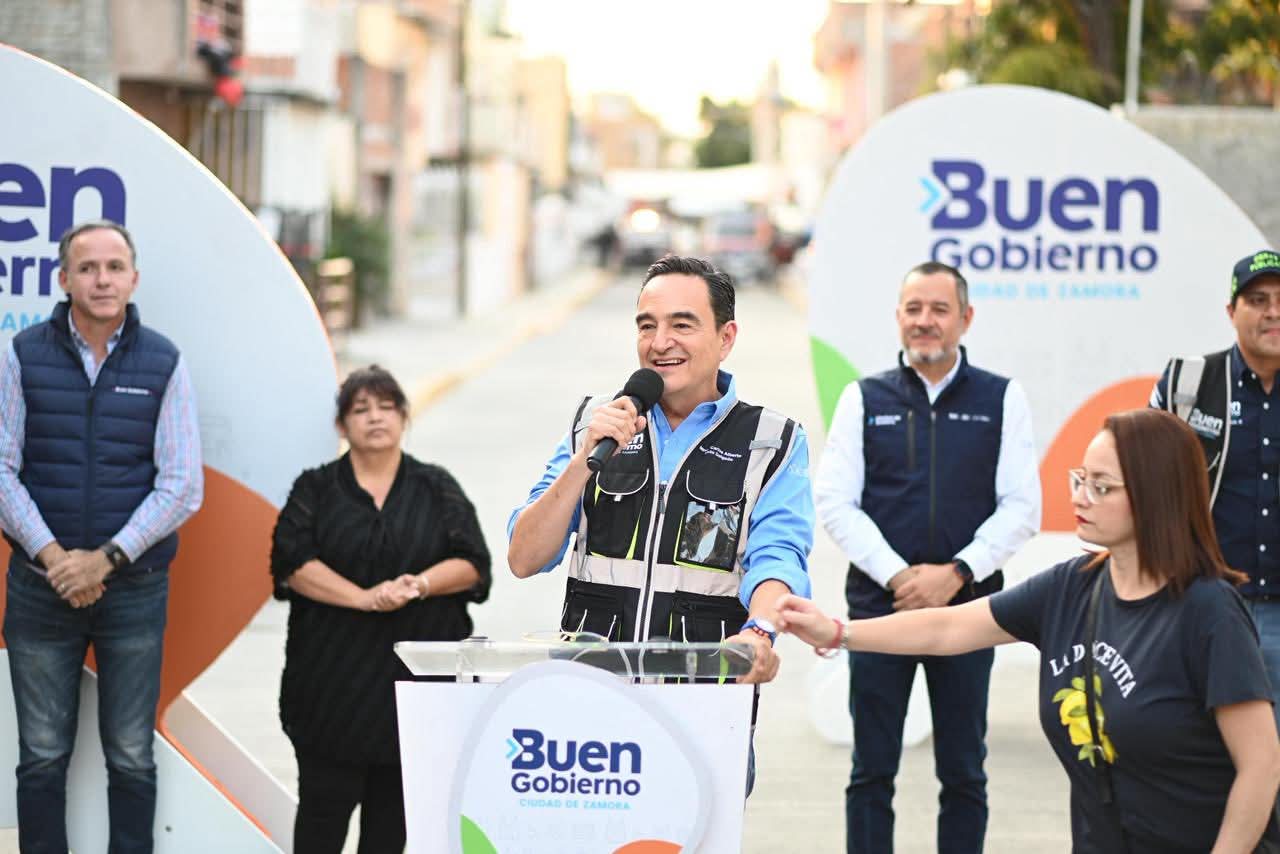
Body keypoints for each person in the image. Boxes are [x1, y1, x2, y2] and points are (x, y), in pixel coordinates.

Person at [782, 409, 1280, 853]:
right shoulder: (1072, 587)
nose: (1081, 498)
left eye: (1102, 487)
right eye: (1081, 479)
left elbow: (1260, 767)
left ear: (1155, 495)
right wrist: (836, 633)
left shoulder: (1207, 610)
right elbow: (945, 628)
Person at [814, 260, 1040, 854]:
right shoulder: (864, 398)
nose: (925, 321)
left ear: (965, 318)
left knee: (964, 770)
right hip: (880, 610)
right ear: (898, 318)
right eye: (913, 309)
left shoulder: (1001, 398)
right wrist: (898, 575)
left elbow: (1022, 507)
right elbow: (835, 502)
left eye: (939, 309)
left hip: (970, 614)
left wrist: (957, 573)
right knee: (871, 771)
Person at [507, 254, 813, 686]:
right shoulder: (593, 425)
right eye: (647, 325)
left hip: (704, 696)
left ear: (726, 339)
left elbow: (778, 559)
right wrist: (583, 463)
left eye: (682, 325)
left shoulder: (771, 440)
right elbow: (524, 558)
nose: (659, 342)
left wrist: (759, 632)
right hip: (592, 698)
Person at [0, 219, 204, 853]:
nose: (102, 279)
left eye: (114, 267)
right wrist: (57, 558)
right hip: (40, 589)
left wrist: (106, 561)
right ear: (63, 280)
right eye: (87, 268)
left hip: (135, 591)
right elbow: (1, 466)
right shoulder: (21, 354)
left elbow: (182, 484)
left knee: (131, 754)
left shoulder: (164, 361)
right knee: (40, 755)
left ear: (133, 278)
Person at [270, 365, 490, 854]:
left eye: (386, 406)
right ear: (341, 425)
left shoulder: (436, 486)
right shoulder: (316, 489)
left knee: (390, 831)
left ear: (404, 417)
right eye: (360, 409)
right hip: (331, 692)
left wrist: (419, 585)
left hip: (412, 693)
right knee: (321, 823)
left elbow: (474, 564)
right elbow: (291, 563)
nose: (374, 418)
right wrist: (363, 597)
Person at [1152, 249, 1280, 725]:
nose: (1273, 312)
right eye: (1257, 300)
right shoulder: (1190, 382)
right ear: (1232, 312)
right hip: (1204, 604)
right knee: (1200, 758)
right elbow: (1145, 479)